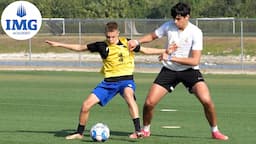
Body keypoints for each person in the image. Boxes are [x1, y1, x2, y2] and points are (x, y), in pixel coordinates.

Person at [45, 21, 166, 140]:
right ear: (105, 34)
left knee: (129, 96)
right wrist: (59, 44)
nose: (111, 39)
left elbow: (146, 50)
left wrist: (164, 51)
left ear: (118, 33)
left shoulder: (128, 43)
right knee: (85, 105)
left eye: (113, 36)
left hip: (126, 80)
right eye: (108, 37)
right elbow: (80, 48)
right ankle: (79, 133)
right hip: (108, 82)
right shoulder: (101, 45)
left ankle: (138, 131)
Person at [128, 2, 229, 140]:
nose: (175, 21)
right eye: (174, 18)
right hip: (169, 70)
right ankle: (145, 130)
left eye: (178, 19)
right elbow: (152, 36)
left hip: (190, 71)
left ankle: (215, 131)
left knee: (207, 100)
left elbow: (195, 61)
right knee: (149, 103)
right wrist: (137, 42)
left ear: (187, 17)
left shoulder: (196, 32)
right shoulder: (169, 26)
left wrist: (170, 57)